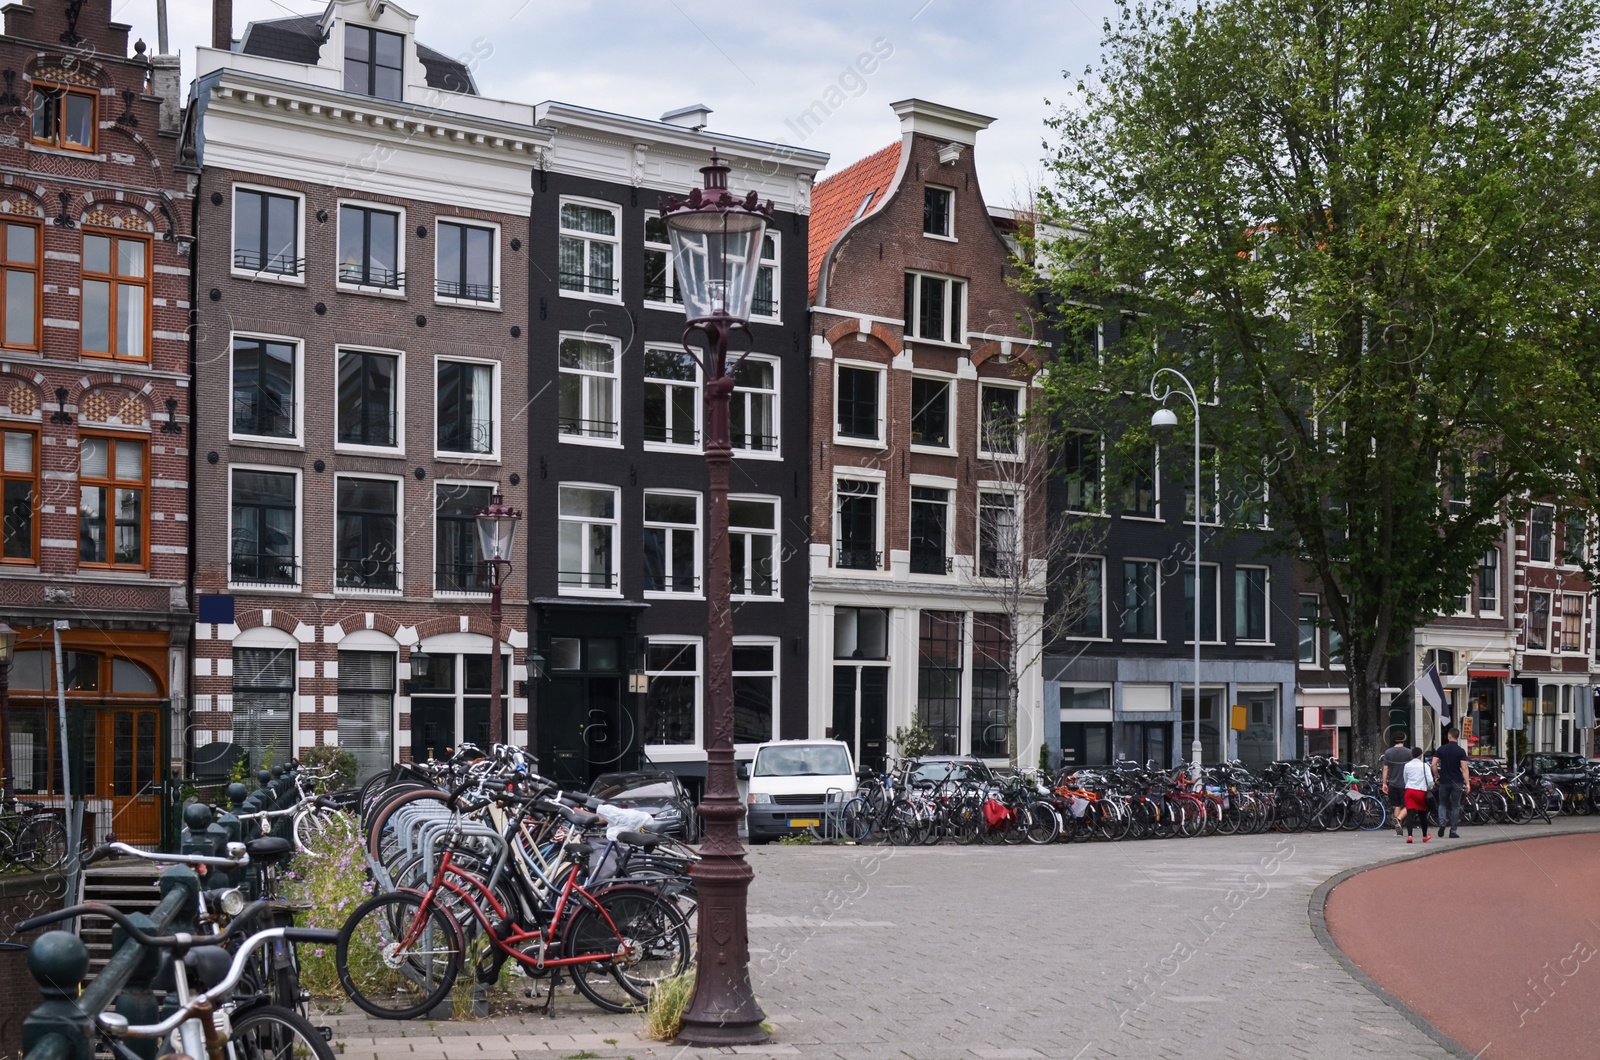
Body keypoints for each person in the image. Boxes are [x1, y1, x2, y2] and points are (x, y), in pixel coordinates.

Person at [1432, 725, 1471, 838]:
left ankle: (1442, 822)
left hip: (1444, 781)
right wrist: (1467, 783)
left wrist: (1436, 776)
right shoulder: (1461, 751)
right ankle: (1453, 831)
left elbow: (1434, 764)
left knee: (1442, 803)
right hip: (1457, 781)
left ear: (1449, 736)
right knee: (1455, 806)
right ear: (1457, 737)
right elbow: (1464, 768)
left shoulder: (1441, 749)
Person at [1380, 733, 1412, 836]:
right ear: (1403, 740)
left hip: (1393, 783)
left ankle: (1398, 829)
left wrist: (1384, 783)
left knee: (1397, 805)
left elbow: (1385, 769)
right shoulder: (1409, 752)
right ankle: (1398, 819)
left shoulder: (1388, 752)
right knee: (1409, 805)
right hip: (1405, 783)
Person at [1402, 746, 1434, 843]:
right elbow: (1430, 780)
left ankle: (1410, 836)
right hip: (1421, 791)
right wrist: (1430, 787)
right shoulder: (1425, 766)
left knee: (1410, 814)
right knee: (1422, 814)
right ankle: (1424, 836)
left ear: (1412, 755)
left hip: (1410, 791)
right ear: (1421, 755)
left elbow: (1405, 778)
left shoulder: (1407, 765)